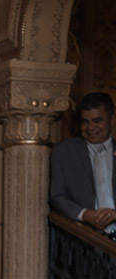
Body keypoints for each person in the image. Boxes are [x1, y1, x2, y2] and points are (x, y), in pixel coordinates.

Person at [49, 91, 116, 234]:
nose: (90, 128)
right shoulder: (63, 152)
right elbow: (57, 196)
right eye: (85, 122)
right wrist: (84, 214)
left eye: (97, 121)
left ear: (111, 120)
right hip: (84, 241)